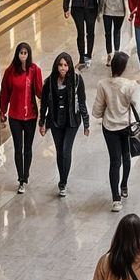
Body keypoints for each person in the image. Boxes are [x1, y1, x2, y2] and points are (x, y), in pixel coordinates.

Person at [92, 50, 140, 210]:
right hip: (126, 126)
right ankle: (124, 186)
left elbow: (98, 109)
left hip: (109, 127)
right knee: (126, 157)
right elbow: (138, 107)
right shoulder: (131, 85)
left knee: (114, 161)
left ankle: (116, 199)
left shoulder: (103, 84)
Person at [38, 50, 89, 198]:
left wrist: (86, 123)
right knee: (60, 151)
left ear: (70, 66)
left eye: (66, 65)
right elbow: (44, 104)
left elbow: (82, 101)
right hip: (55, 121)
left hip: (72, 121)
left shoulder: (76, 80)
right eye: (60, 65)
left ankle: (63, 182)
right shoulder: (49, 82)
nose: (63, 68)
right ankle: (62, 178)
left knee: (66, 150)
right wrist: (42, 122)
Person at [0, 41, 44, 193]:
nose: (23, 55)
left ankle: (26, 175)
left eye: (25, 53)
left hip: (31, 116)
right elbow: (5, 92)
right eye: (21, 53)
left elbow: (39, 91)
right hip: (15, 116)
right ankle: (20, 179)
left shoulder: (35, 70)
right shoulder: (10, 71)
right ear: (17, 54)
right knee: (18, 148)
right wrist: (2, 111)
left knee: (28, 148)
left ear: (28, 54)